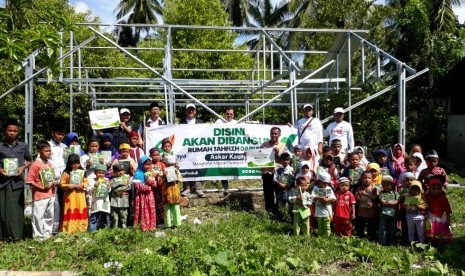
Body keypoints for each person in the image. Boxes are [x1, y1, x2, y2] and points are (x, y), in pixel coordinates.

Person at [0, 118, 32, 241]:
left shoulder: (23, 146)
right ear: (4, 131)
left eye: (14, 131)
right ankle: (3, 236)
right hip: (3, 182)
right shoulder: (0, 146)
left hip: (17, 183)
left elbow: (29, 160)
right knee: (2, 210)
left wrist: (22, 168)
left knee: (17, 211)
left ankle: (17, 235)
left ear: (18, 132)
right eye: (9, 130)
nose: (12, 133)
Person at [26, 140, 57, 240]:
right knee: (38, 217)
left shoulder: (50, 164)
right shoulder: (35, 164)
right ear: (39, 151)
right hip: (40, 195)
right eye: (46, 150)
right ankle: (38, 237)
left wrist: (55, 182)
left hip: (51, 194)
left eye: (49, 150)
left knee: (49, 215)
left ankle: (47, 234)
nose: (49, 152)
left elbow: (51, 178)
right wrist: (41, 187)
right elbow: (29, 181)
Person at [260, 127, 288, 215]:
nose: (273, 135)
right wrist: (248, 155)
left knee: (279, 194)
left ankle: (280, 213)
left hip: (279, 173)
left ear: (279, 135)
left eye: (276, 133)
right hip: (267, 173)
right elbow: (258, 157)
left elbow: (286, 160)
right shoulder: (264, 145)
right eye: (272, 133)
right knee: (268, 194)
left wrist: (278, 153)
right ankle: (269, 213)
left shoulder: (283, 145)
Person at [59, 153, 89, 234]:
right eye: (73, 163)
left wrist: (82, 184)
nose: (75, 165)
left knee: (80, 209)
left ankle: (81, 229)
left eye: (77, 163)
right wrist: (69, 185)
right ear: (69, 164)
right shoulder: (66, 173)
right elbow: (61, 184)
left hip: (80, 195)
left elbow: (86, 182)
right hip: (70, 196)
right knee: (70, 210)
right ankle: (68, 229)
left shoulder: (82, 172)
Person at [180, 103, 204, 197]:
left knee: (197, 167)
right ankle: (187, 188)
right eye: (189, 110)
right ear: (186, 111)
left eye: (192, 110)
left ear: (195, 111)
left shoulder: (200, 122)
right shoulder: (181, 122)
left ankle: (197, 188)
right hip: (185, 149)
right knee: (185, 167)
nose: (190, 111)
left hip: (197, 150)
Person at [48, 122, 67, 234]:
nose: (60, 136)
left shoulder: (65, 147)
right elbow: (44, 163)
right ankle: (53, 229)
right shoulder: (47, 145)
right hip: (53, 180)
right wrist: (51, 179)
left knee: (63, 201)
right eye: (58, 134)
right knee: (54, 204)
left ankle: (62, 226)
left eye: (62, 134)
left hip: (64, 180)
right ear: (53, 133)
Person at [214, 106, 237, 195]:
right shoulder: (219, 122)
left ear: (233, 114)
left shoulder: (237, 123)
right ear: (224, 114)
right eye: (227, 114)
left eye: (231, 114)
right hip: (222, 149)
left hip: (234, 149)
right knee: (223, 167)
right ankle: (225, 188)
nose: (229, 115)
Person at [425, 176, 452, 244]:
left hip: (442, 216)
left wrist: (448, 219)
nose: (436, 191)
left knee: (441, 228)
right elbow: (425, 206)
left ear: (441, 189)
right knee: (431, 228)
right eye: (434, 189)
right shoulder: (427, 197)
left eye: (438, 189)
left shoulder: (443, 197)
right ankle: (432, 240)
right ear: (430, 189)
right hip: (431, 216)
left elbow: (447, 209)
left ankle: (442, 241)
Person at [132, 155, 157, 231]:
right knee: (142, 210)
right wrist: (149, 187)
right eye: (146, 164)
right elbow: (138, 186)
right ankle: (142, 226)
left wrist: (150, 181)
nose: (147, 166)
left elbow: (155, 184)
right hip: (141, 196)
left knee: (150, 209)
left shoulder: (150, 173)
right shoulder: (137, 174)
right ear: (141, 164)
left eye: (149, 164)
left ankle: (151, 226)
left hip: (149, 196)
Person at [311, 171, 336, 237]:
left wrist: (327, 199)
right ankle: (320, 236)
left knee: (327, 225)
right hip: (319, 211)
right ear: (319, 181)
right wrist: (319, 197)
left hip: (327, 211)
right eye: (324, 183)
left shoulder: (328, 188)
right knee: (320, 225)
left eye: (327, 183)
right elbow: (312, 197)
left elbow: (333, 198)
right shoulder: (315, 188)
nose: (326, 185)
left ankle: (327, 236)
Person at [354, 171, 378, 240]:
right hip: (361, 211)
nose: (367, 179)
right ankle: (360, 236)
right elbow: (357, 197)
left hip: (371, 211)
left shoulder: (374, 188)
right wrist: (364, 201)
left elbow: (374, 197)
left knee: (371, 225)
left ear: (372, 179)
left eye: (369, 178)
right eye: (365, 178)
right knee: (361, 224)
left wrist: (365, 194)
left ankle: (370, 236)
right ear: (361, 179)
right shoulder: (359, 188)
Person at [87, 164, 111, 232]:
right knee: (94, 218)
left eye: (103, 173)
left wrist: (109, 187)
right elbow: (88, 190)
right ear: (95, 173)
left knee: (106, 218)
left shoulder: (106, 180)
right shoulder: (92, 180)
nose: (101, 174)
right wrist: (94, 185)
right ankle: (92, 233)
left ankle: (106, 233)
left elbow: (109, 191)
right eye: (99, 173)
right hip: (95, 202)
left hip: (104, 202)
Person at [161, 155, 183, 230]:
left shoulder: (176, 170)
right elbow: (159, 182)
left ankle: (176, 224)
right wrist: (164, 176)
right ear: (165, 164)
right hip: (166, 192)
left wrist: (176, 177)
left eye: (172, 164)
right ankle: (168, 225)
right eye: (168, 164)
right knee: (167, 209)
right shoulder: (163, 171)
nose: (170, 166)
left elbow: (181, 180)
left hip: (175, 192)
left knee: (176, 208)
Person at [378, 175, 399, 245]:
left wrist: (391, 203)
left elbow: (397, 201)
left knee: (393, 227)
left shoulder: (395, 193)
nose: (386, 186)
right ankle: (382, 241)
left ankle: (391, 241)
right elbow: (382, 201)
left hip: (393, 214)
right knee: (382, 227)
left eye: (388, 184)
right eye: (384, 185)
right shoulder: (381, 193)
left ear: (391, 185)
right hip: (383, 214)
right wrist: (388, 202)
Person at [110, 163, 132, 228]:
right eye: (118, 171)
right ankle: (115, 228)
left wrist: (119, 190)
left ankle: (124, 228)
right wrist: (120, 183)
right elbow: (111, 186)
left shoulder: (127, 178)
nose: (120, 172)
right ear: (114, 172)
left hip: (124, 199)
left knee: (124, 215)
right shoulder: (113, 179)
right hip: (114, 200)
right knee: (114, 216)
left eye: (122, 170)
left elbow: (129, 186)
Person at [273, 152, 294, 220]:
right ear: (281, 161)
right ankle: (281, 218)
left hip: (289, 190)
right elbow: (275, 179)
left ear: (289, 160)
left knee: (291, 204)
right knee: (281, 204)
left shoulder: (292, 169)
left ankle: (291, 218)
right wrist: (280, 184)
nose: (285, 161)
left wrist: (289, 185)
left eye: (287, 160)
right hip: (280, 190)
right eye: (284, 160)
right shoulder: (278, 170)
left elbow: (294, 179)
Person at [150, 147, 166, 227]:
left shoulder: (162, 164)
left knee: (162, 204)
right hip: (153, 188)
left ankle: (164, 220)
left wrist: (162, 174)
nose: (156, 156)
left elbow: (165, 173)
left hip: (161, 187)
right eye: (154, 155)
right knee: (155, 205)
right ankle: (157, 222)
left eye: (157, 155)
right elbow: (148, 175)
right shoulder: (149, 165)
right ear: (150, 156)